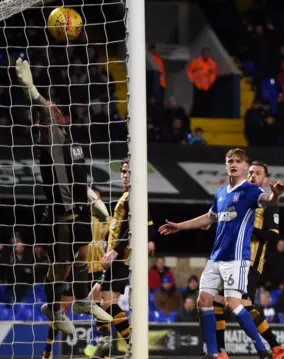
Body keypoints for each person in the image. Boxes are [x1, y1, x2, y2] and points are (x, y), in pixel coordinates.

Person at [159, 148, 284, 359]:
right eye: (230, 161)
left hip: (238, 259)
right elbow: (209, 217)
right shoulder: (220, 193)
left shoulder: (251, 191)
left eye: (238, 161)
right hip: (216, 257)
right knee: (203, 300)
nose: (234, 164)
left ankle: (263, 347)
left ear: (244, 167)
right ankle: (214, 352)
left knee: (234, 304)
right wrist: (180, 226)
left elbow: (268, 200)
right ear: (226, 165)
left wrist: (276, 195)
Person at [15, 58, 111, 335]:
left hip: (80, 210)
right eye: (51, 111)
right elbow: (44, 113)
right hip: (60, 216)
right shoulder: (49, 140)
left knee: (82, 255)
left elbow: (80, 180)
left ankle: (82, 301)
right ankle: (54, 308)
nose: (54, 111)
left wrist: (93, 200)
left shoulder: (73, 145)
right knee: (60, 267)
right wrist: (31, 90)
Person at [214, 161, 284, 359]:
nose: (252, 176)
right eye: (250, 173)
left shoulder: (270, 204)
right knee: (226, 303)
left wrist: (249, 230)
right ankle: (272, 347)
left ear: (264, 180)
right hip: (231, 259)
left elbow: (273, 236)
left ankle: (271, 347)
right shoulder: (240, 198)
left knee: (235, 304)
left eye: (257, 174)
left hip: (251, 262)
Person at [90, 159, 156, 359]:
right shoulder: (128, 196)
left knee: (102, 301)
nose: (125, 175)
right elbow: (150, 225)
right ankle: (126, 343)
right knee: (98, 298)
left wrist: (115, 251)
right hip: (115, 257)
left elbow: (134, 226)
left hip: (122, 258)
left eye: (129, 171)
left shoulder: (134, 195)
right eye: (124, 171)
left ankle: (108, 341)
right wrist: (151, 239)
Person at [42, 187, 110, 359]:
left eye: (95, 198)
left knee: (101, 304)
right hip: (77, 269)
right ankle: (48, 350)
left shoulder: (107, 220)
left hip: (96, 269)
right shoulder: (79, 218)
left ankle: (105, 350)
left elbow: (114, 240)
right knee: (62, 307)